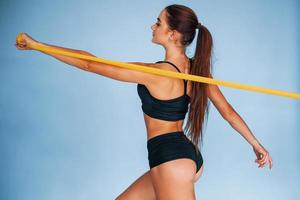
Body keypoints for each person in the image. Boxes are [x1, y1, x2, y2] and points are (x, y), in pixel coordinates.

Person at [15, 4, 273, 200]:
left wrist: (39, 45)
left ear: (172, 34)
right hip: (181, 157)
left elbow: (90, 63)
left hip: (172, 162)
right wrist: (255, 144)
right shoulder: (197, 71)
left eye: (157, 22)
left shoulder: (156, 73)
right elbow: (227, 111)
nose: (153, 26)